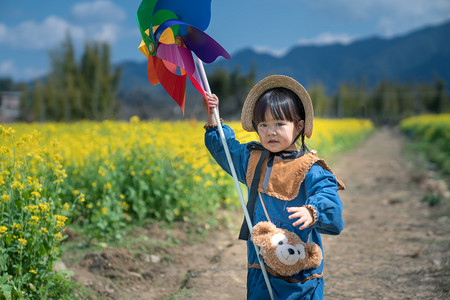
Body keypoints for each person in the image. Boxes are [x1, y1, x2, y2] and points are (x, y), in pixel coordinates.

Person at [203, 75, 344, 299]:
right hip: (261, 264)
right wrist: (213, 116)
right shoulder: (252, 161)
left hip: (299, 270)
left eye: (279, 123)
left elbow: (328, 199)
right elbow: (225, 150)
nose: (271, 131)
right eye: (264, 124)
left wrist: (312, 210)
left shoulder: (310, 168)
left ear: (299, 126)